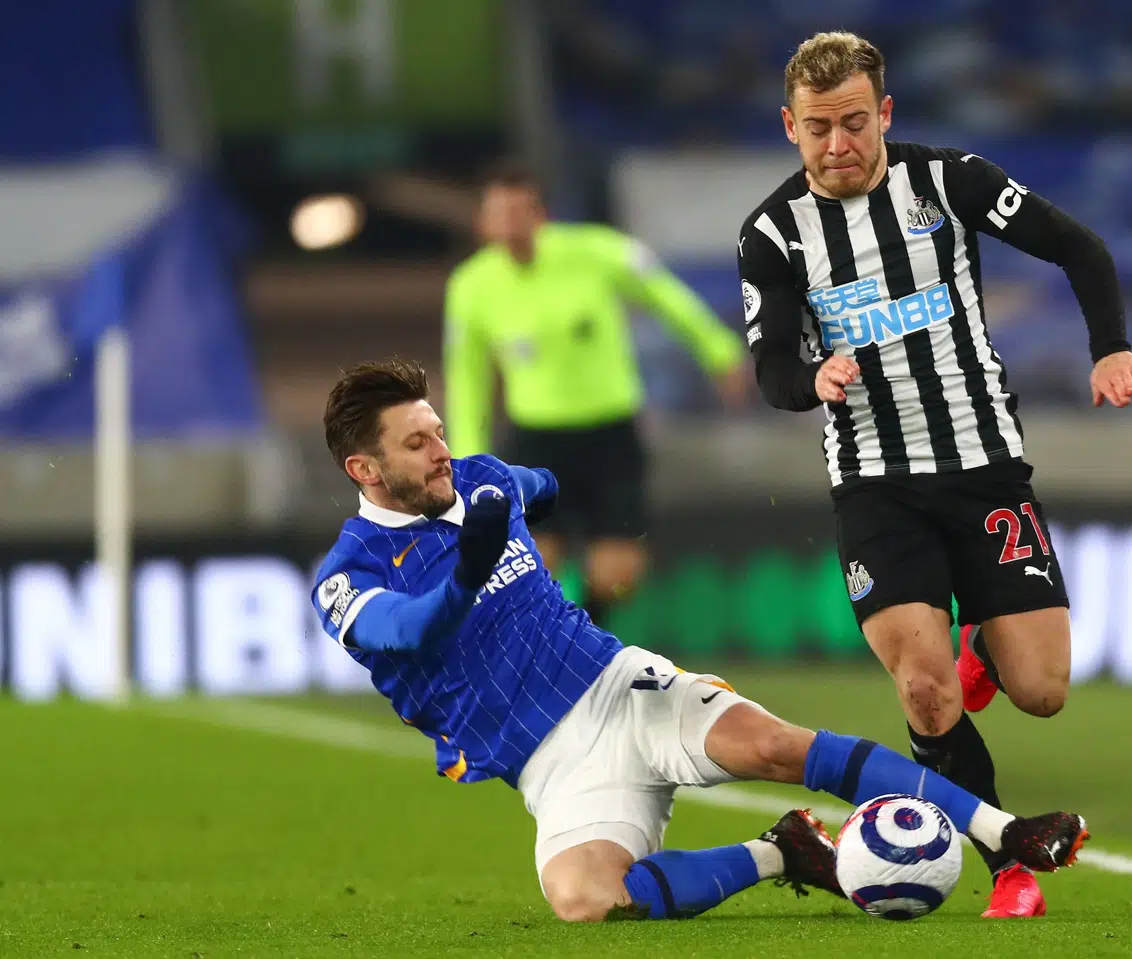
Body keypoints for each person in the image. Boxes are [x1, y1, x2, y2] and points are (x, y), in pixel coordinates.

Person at [312, 358, 1089, 922]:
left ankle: (1003, 831)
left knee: (778, 745)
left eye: (437, 429)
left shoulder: (482, 480)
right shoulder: (348, 573)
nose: (440, 449)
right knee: (586, 900)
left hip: (619, 684)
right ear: (364, 468)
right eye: (416, 444)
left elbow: (540, 486)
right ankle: (783, 852)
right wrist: (468, 574)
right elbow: (406, 628)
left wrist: (532, 504)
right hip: (549, 765)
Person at [737, 32, 1132, 918]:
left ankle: (982, 656)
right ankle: (1008, 863)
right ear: (789, 127)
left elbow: (1080, 248)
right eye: (817, 130)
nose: (837, 146)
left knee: (1042, 691)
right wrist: (813, 379)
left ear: (884, 113)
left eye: (853, 123)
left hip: (984, 463)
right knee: (921, 687)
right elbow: (770, 370)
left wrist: (1109, 345)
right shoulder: (772, 234)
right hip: (874, 482)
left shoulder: (948, 182)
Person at [443, 162, 749, 627]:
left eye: (516, 212)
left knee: (617, 575)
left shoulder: (598, 253)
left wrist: (719, 352)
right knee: (531, 566)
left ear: (540, 215)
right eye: (496, 215)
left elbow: (664, 294)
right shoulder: (470, 287)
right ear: (482, 223)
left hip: (610, 435)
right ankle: (557, 657)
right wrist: (466, 461)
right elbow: (468, 380)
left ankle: (581, 632)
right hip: (536, 441)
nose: (507, 226)